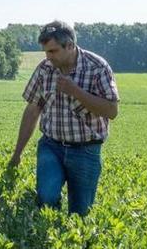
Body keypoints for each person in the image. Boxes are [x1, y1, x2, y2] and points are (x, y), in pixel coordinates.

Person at [8, 20, 120, 216]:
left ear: (69, 45)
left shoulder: (97, 67)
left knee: (80, 214)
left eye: (52, 51)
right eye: (45, 52)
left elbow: (111, 110)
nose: (47, 57)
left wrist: (75, 91)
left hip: (86, 150)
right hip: (51, 146)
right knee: (46, 197)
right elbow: (33, 109)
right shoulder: (45, 69)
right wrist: (17, 153)